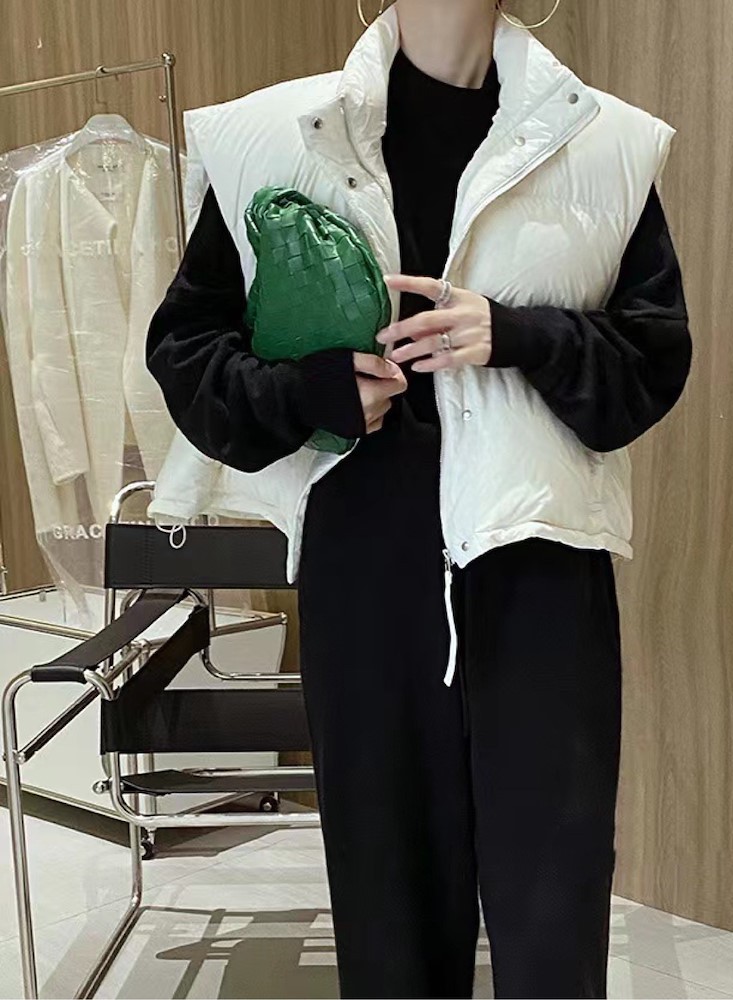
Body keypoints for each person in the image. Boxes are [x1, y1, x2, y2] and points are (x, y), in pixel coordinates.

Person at [146, 1, 692, 996]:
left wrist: (520, 335)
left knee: (552, 914)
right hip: (364, 567)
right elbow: (187, 356)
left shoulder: (602, 141)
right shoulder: (274, 135)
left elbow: (649, 369)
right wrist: (312, 393)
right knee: (389, 912)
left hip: (539, 569)